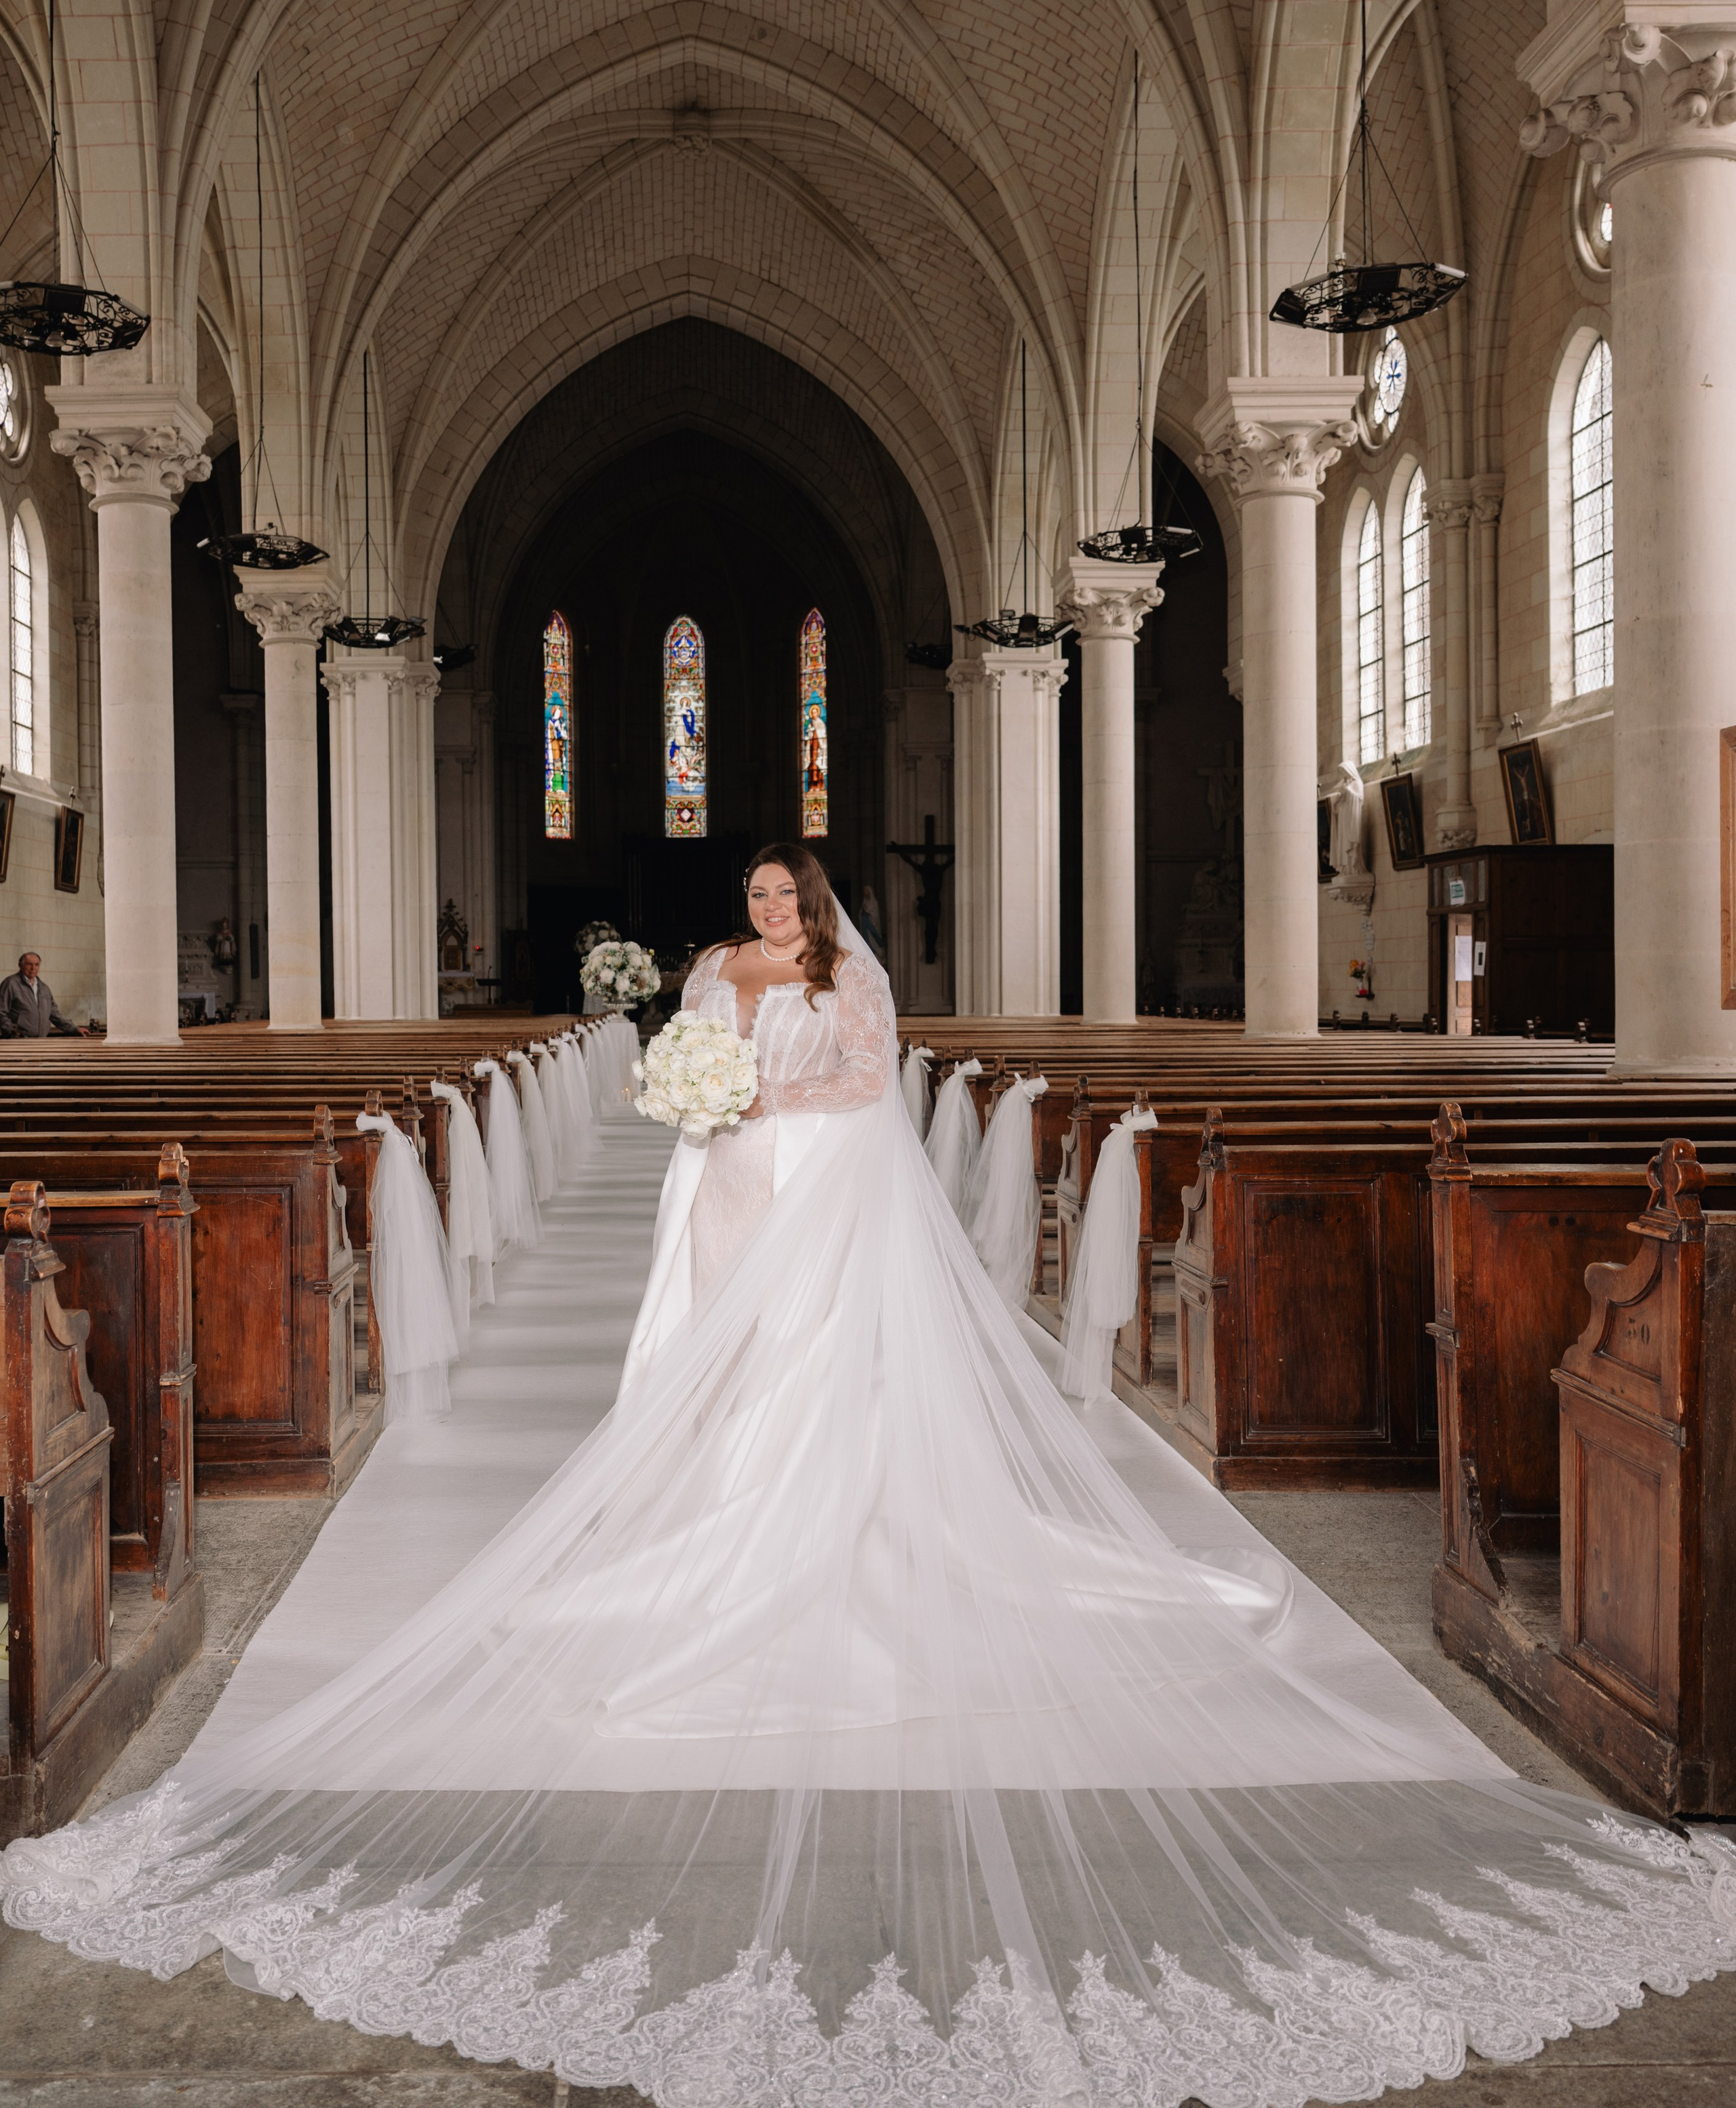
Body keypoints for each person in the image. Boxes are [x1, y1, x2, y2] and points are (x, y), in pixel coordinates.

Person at [3, 843, 1733, 2105]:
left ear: (810, 903)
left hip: (824, 1192)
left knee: (828, 1370)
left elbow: (859, 1084)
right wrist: (702, 1108)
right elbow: (688, 1083)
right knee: (723, 1375)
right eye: (753, 901)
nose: (765, 918)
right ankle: (715, 1521)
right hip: (728, 1190)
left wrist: (767, 1113)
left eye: (780, 898)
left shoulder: (848, 981)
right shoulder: (699, 974)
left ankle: (835, 1528)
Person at [0, 949, 88, 1037]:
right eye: (29, 964)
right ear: (20, 965)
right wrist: (11, 1031)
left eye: (37, 965)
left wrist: (74, 1029)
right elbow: (1, 1012)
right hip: (18, 1041)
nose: (33, 968)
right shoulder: (10, 984)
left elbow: (54, 1014)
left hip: (41, 1041)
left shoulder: (44, 988)